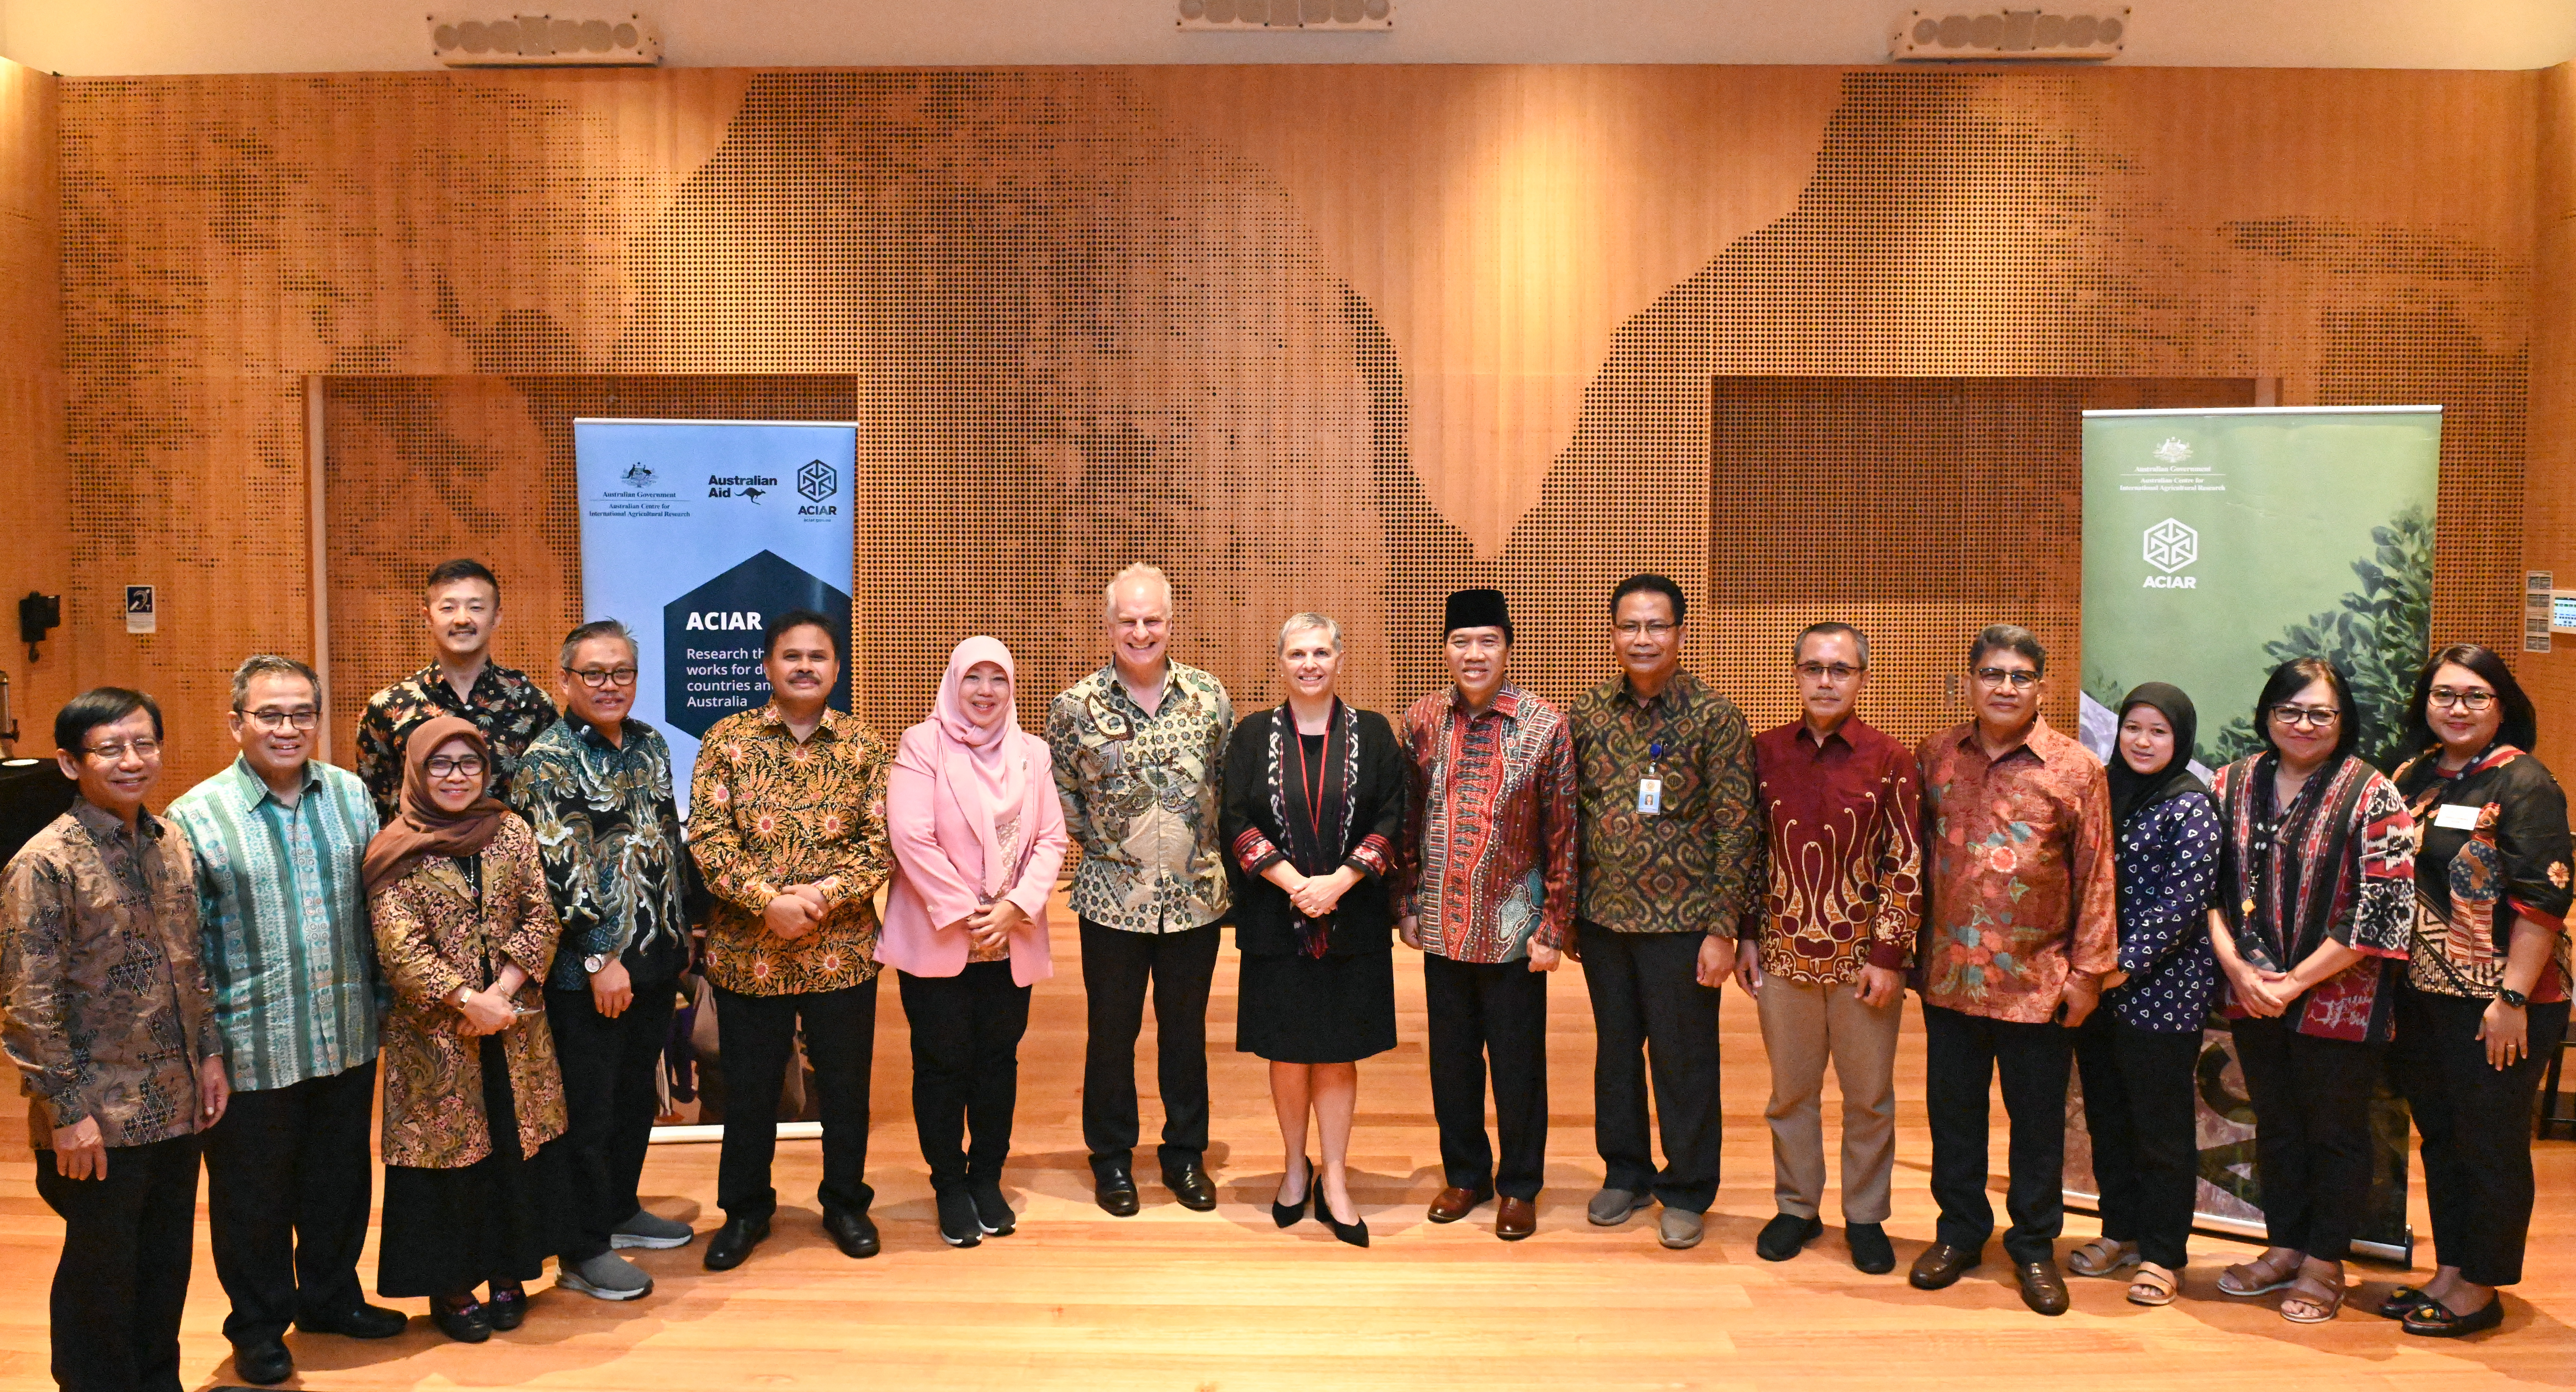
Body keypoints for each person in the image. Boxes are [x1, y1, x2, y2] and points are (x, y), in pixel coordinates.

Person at [166, 657, 404, 1386]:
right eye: (269, 715)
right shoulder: (195, 816)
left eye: (302, 713)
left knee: (340, 1183)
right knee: (253, 1201)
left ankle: (331, 1298)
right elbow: (187, 950)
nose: (287, 727)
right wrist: (205, 1049)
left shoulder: (353, 798)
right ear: (235, 722)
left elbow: (376, 914)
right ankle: (259, 1327)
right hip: (250, 1046)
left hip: (345, 1031)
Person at [1, 688, 228, 1392]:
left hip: (176, 1097)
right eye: (110, 748)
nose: (132, 761)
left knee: (163, 1261)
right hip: (97, 1114)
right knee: (100, 1273)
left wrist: (212, 1053)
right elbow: (27, 1004)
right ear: (71, 763)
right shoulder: (44, 864)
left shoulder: (171, 844)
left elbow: (194, 964)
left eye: (144, 744)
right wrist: (66, 1114)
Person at [1908, 625, 2114, 1316]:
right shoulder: (1935, 755)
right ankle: (1959, 1233)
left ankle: (2032, 1247)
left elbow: (2096, 877)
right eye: (1991, 674)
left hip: (2038, 984)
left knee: (2035, 1128)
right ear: (1968, 680)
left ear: (2039, 687)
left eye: (2018, 677)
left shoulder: (2075, 768)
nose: (2003, 688)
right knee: (1953, 1119)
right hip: (1949, 979)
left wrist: (2086, 975)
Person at [2206, 657, 2413, 1324]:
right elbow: (2207, 889)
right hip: (2250, 989)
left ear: (2342, 719)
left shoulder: (2372, 793)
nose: (2302, 724)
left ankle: (2325, 1263)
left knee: (2335, 1133)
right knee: (2276, 1126)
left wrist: (2295, 981)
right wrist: (2239, 971)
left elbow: (2383, 911)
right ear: (2266, 715)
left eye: (2319, 713)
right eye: (2288, 711)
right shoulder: (2229, 783)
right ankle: (2284, 1247)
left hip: (2338, 992)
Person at [688, 609, 893, 1270]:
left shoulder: (863, 745)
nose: (805, 667)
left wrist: (821, 899)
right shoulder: (726, 740)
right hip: (750, 953)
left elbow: (881, 843)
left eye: (818, 657)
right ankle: (746, 1210)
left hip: (843, 954)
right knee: (749, 1092)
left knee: (844, 1088)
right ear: (766, 666)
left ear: (837, 668)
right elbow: (708, 838)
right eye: (791, 656)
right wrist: (766, 903)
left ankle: (845, 1202)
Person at [365, 716, 575, 1343]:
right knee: (447, 1162)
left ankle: (511, 1273)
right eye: (440, 764)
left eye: (468, 763)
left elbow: (542, 914)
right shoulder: (394, 846)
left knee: (514, 1149)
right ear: (417, 772)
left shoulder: (511, 832)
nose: (456, 776)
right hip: (437, 1037)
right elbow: (398, 946)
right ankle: (452, 1285)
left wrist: (501, 994)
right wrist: (465, 1000)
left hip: (514, 1028)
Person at [2382, 644, 2571, 1336]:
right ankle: (2450, 1271)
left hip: (2500, 1003)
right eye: (2442, 695)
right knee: (2442, 1140)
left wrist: (2511, 1000)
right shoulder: (2412, 775)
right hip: (2423, 996)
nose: (2455, 709)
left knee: (2488, 1145)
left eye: (2473, 696)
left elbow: (2542, 900)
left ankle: (2480, 1287)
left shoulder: (2522, 782)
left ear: (2502, 705)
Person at [1567, 574, 1759, 1252]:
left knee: (1683, 1062)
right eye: (1629, 626)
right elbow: (1568, 819)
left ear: (1679, 633)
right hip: (1603, 923)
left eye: (1655, 626)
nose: (1641, 639)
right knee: (1615, 1056)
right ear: (1612, 634)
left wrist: (1722, 929)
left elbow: (1737, 829)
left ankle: (1686, 1188)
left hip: (1682, 927)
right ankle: (1625, 1171)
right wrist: (1566, 915)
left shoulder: (1713, 716)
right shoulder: (1587, 714)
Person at [508, 620, 695, 1301]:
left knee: (630, 1099)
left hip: (654, 956)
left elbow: (665, 841)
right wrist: (596, 959)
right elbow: (559, 867)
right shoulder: (547, 761)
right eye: (594, 673)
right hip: (591, 972)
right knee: (587, 1111)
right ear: (566, 681)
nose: (609, 684)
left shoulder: (649, 745)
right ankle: (583, 1247)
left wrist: (683, 933)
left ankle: (620, 1210)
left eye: (621, 672)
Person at [1047, 563, 1235, 1216]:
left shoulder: (1210, 698)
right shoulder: (1074, 707)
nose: (1140, 631)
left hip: (1193, 901)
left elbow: (1226, 787)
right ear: (1107, 627)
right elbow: (1061, 791)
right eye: (1127, 620)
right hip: (1110, 902)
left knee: (1184, 1034)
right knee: (1111, 1034)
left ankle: (1184, 1155)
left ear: (1170, 624)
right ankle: (1111, 1160)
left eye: (1151, 619)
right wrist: (1104, 848)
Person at [1738, 622, 1921, 1275]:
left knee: (1868, 1097)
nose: (1825, 680)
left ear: (1860, 679)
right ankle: (1796, 1208)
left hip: (1860, 964)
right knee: (1790, 1093)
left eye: (1839, 670)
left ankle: (1866, 1216)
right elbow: (1746, 856)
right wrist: (1744, 937)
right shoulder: (1761, 754)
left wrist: (1888, 956)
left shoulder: (1890, 760)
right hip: (1782, 954)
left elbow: (1905, 865)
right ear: (1794, 674)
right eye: (1813, 668)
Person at [1397, 587, 1577, 1241]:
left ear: (1506, 648)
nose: (1473, 654)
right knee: (1451, 1060)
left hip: (1513, 930)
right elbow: (1408, 817)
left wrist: (1553, 927)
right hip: (1443, 925)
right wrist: (1407, 900)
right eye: (1461, 642)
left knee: (1516, 1062)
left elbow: (1564, 833)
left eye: (1487, 642)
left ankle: (1520, 1185)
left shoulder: (1543, 724)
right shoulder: (1420, 720)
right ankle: (1465, 1173)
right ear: (1445, 649)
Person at [1221, 613, 1403, 1249]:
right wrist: (1294, 882)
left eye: (1321, 652)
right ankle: (1294, 1169)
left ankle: (1337, 1181)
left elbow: (1390, 818)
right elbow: (1235, 820)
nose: (1309, 664)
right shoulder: (1250, 736)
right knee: (1287, 1049)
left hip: (1351, 919)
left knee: (1336, 1050)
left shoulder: (1375, 734)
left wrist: (1339, 882)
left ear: (1339, 658)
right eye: (1297, 653)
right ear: (1280, 662)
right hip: (1276, 919)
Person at [881, 636, 1068, 1249]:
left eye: (999, 679)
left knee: (997, 1063)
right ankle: (948, 1184)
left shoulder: (1032, 753)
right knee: (940, 1064)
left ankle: (987, 1176)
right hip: (942, 935)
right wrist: (967, 913)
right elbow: (910, 836)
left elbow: (1050, 840)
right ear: (953, 683)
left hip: (1009, 937)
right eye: (973, 678)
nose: (986, 691)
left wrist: (1013, 908)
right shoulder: (921, 744)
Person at [2064, 683, 2221, 1308]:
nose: (2142, 741)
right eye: (2133, 727)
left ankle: (2163, 1252)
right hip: (2096, 988)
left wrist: (2120, 966)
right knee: (2107, 1117)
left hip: (2160, 991)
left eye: (2158, 731)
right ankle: (2120, 1231)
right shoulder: (2101, 790)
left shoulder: (2192, 806)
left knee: (2160, 1128)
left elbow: (2184, 902)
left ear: (2179, 738)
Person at [355, 558, 561, 823]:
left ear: (496, 617)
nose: (462, 619)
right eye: (449, 608)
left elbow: (547, 803)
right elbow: (375, 809)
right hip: (417, 859)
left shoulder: (532, 704)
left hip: (510, 860)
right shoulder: (389, 706)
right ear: (428, 616)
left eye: (476, 608)